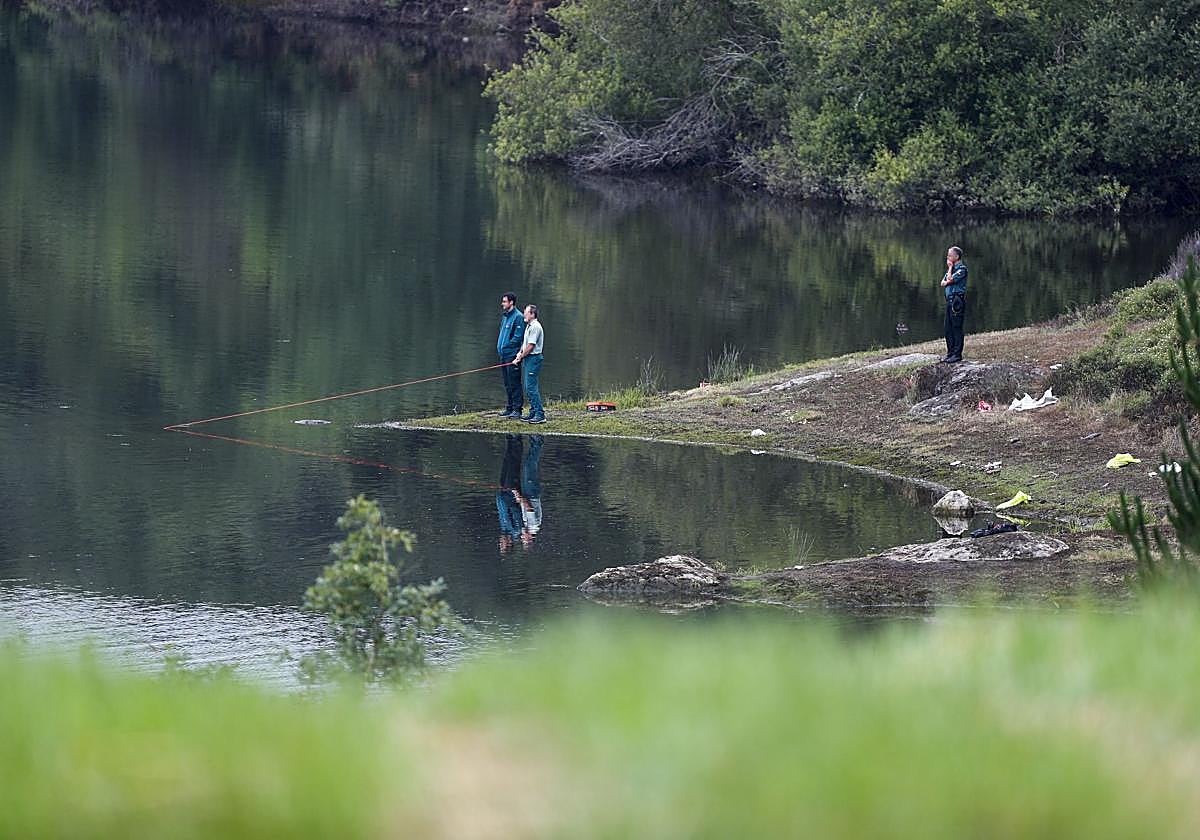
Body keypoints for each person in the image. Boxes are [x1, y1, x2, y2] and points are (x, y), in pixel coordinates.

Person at [511, 304, 545, 424]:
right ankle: (533, 412)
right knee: (528, 386)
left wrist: (520, 357)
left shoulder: (535, 327)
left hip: (534, 358)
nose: (524, 314)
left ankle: (540, 414)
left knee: (531, 387)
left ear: (532, 314)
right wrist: (519, 353)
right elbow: (525, 344)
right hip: (528, 358)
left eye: (526, 312)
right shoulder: (529, 326)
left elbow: (531, 346)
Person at [496, 293, 526, 417]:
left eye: (504, 301)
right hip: (503, 355)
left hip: (512, 355)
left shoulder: (518, 317)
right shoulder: (505, 317)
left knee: (514, 383)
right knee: (507, 383)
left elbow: (518, 337)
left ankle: (517, 409)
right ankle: (509, 407)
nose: (502, 304)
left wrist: (507, 346)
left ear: (511, 302)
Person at [939, 245, 968, 363]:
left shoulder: (962, 269)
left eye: (950, 255)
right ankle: (950, 353)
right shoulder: (951, 270)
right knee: (948, 328)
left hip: (957, 301)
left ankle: (957, 354)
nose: (948, 257)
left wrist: (950, 269)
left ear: (957, 257)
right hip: (949, 301)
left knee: (956, 327)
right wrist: (948, 279)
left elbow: (950, 280)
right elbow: (942, 283)